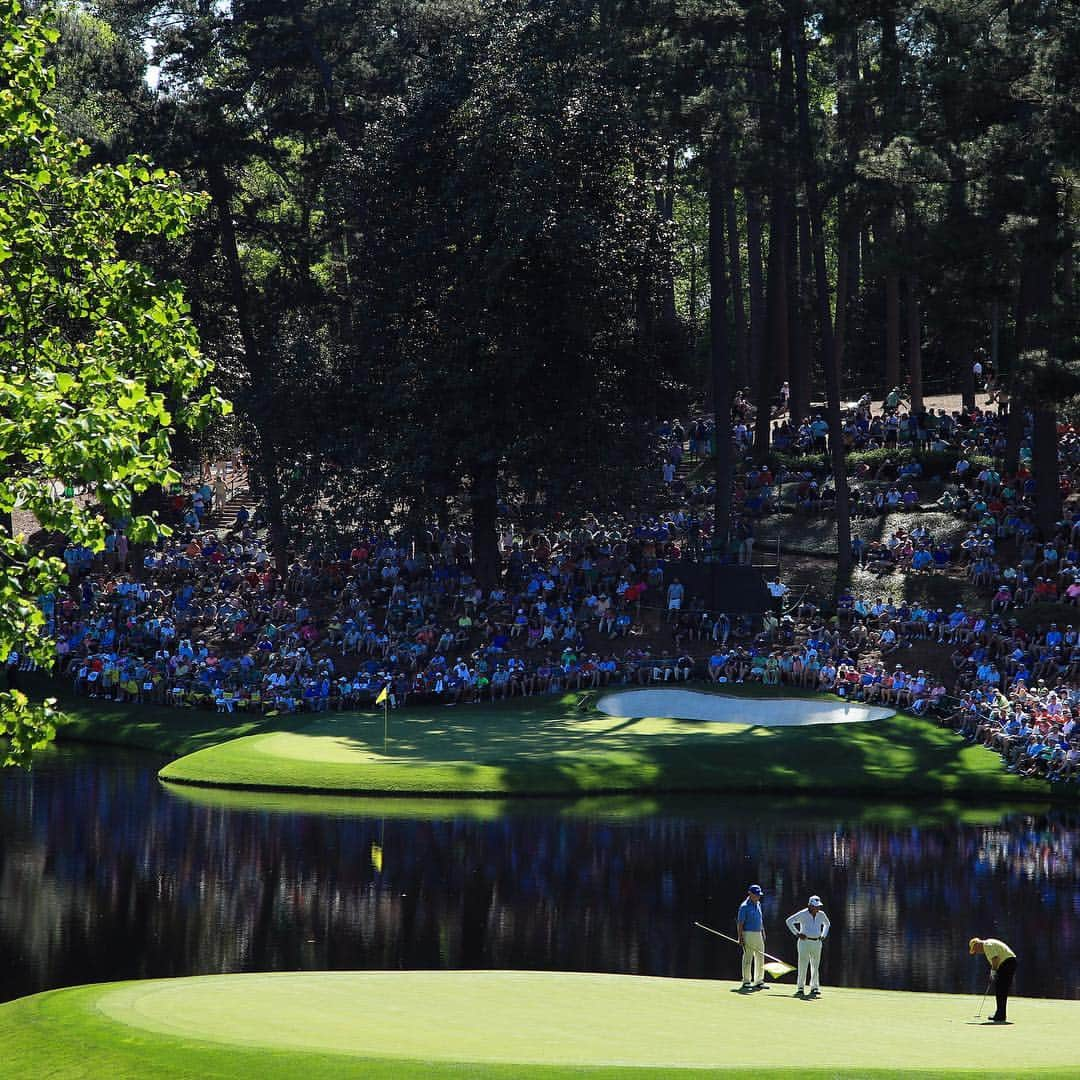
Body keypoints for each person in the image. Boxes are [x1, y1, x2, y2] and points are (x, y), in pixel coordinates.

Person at [785, 894, 831, 997]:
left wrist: (823, 935)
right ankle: (800, 988)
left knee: (815, 965)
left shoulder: (821, 914)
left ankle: (814, 987)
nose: (817, 908)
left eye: (818, 906)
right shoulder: (803, 914)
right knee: (803, 965)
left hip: (817, 942)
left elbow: (827, 924)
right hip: (804, 942)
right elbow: (789, 921)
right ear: (810, 905)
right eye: (815, 906)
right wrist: (797, 933)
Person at [969, 937, 1017, 1022]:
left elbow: (995, 959)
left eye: (975, 950)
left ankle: (1000, 1015)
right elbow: (996, 960)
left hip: (1007, 963)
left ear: (977, 945)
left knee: (1001, 989)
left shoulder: (987, 945)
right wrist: (994, 972)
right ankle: (1000, 1014)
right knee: (1001, 989)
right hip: (1008, 963)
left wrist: (993, 972)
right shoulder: (987, 945)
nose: (977, 952)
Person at [737, 884, 767, 990]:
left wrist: (763, 931)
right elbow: (740, 923)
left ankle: (759, 981)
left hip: (758, 933)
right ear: (750, 894)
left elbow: (760, 919)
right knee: (748, 957)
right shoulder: (744, 906)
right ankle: (746, 981)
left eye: (759, 895)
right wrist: (740, 937)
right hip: (748, 933)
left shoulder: (758, 904)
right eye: (756, 895)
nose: (758, 897)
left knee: (760, 957)